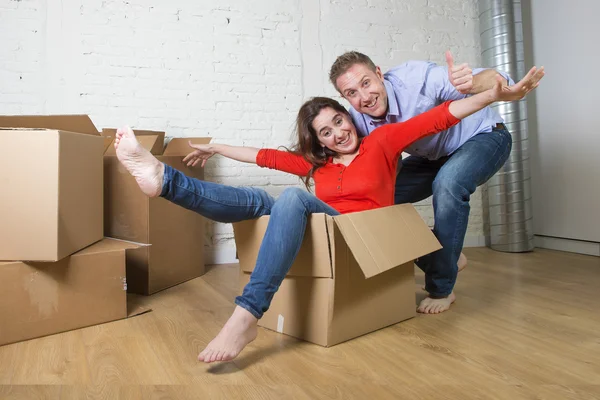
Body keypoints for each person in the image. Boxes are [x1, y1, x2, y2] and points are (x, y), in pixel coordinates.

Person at [113, 69, 541, 363]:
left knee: (292, 201)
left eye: (339, 121)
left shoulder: (382, 143)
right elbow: (264, 157)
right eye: (326, 132)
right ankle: (165, 181)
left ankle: (246, 317)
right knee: (261, 198)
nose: (338, 133)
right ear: (317, 141)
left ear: (347, 116)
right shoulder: (317, 166)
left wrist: (493, 96)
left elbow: (439, 118)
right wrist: (215, 147)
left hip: (359, 236)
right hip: (329, 230)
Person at [329, 51, 545, 314]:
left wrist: (483, 85)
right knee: (372, 201)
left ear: (378, 73)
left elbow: (487, 79)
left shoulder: (415, 78)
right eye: (351, 92)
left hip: (483, 137)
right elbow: (376, 168)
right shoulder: (358, 120)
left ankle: (441, 288)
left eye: (366, 83)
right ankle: (442, 256)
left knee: (448, 184)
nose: (363, 97)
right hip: (434, 156)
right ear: (344, 97)